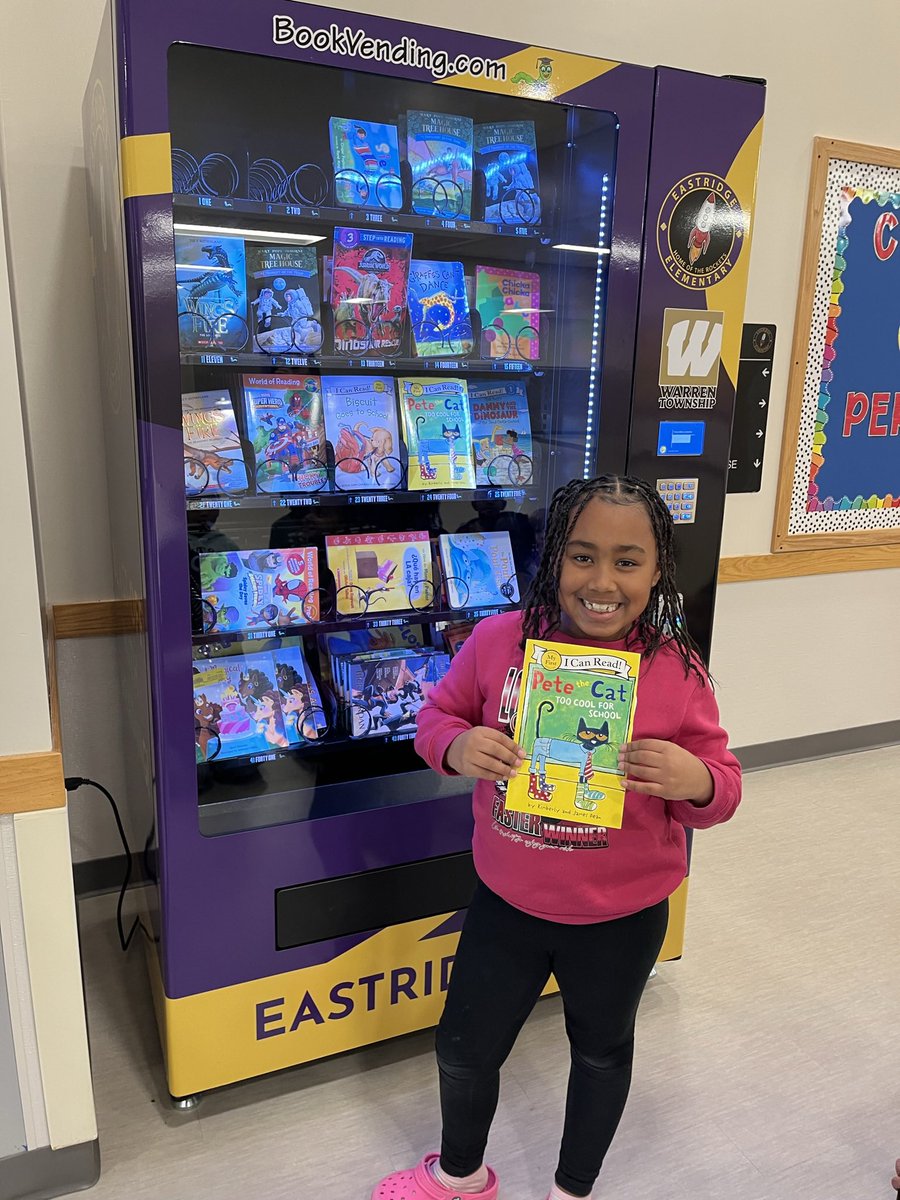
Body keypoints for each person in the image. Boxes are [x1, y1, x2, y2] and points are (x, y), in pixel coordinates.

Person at [370, 474, 742, 1200]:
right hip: (508, 902)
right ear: (553, 561)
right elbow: (434, 720)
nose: (602, 581)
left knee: (601, 1055)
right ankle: (460, 1175)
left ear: (657, 569)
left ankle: (572, 1189)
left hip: (623, 916)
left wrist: (693, 778)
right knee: (463, 1050)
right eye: (582, 557)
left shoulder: (677, 669)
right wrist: (456, 746)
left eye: (627, 561)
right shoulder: (498, 641)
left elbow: (723, 788)